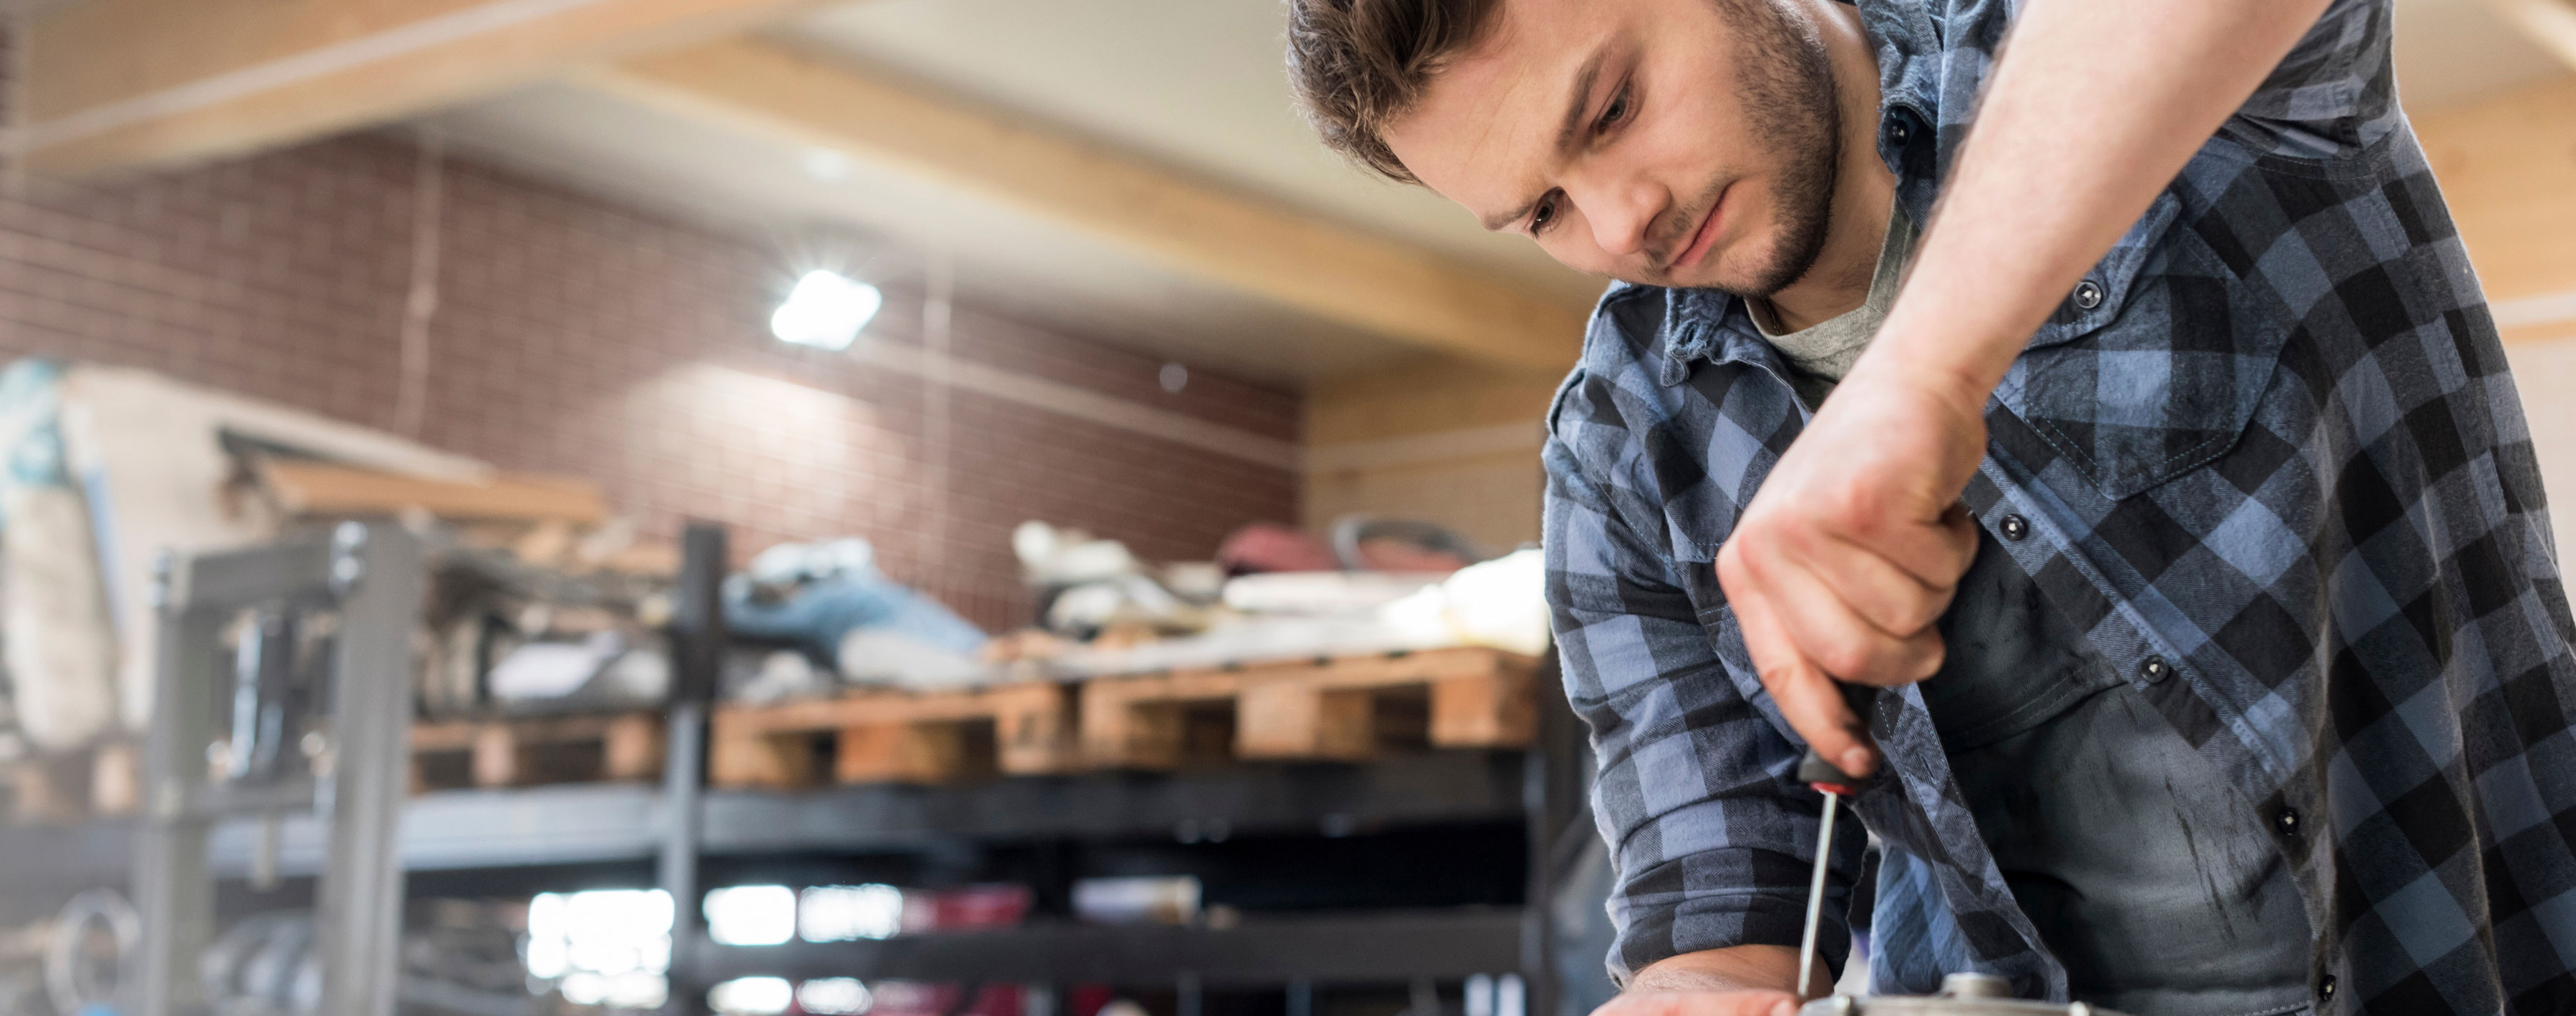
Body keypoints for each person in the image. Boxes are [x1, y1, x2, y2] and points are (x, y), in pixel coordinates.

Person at [1285, 0, 2576, 1012]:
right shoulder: (1627, 447)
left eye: (1614, 106)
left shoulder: (2092, 53)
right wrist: (1689, 995)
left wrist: (1922, 373)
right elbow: (1719, 912)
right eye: (1544, 211)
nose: (1626, 220)